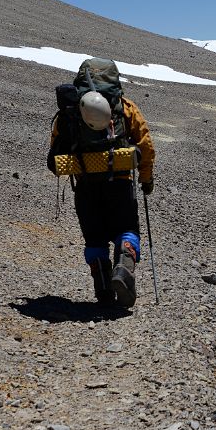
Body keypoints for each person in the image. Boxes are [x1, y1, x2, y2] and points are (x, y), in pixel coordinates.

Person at [47, 58, 155, 308]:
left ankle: (103, 288)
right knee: (127, 230)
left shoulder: (69, 113)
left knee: (94, 239)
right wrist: (146, 179)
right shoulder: (124, 107)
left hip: (85, 186)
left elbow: (54, 155)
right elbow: (145, 145)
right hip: (119, 183)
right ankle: (123, 268)